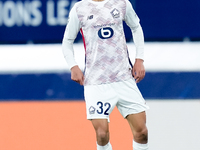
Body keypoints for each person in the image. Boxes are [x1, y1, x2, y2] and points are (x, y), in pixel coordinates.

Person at [62, 0, 149, 149]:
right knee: (102, 134)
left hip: (123, 78)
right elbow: (67, 41)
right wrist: (73, 66)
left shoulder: (122, 3)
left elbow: (136, 27)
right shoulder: (80, 8)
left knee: (142, 132)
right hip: (96, 82)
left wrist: (139, 59)